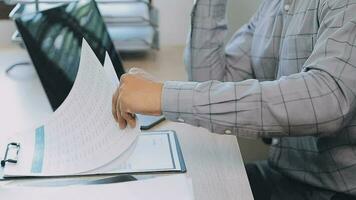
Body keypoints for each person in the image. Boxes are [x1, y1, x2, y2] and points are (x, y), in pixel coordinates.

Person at [112, 0, 356, 199]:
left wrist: (164, 95)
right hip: (283, 178)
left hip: (334, 191)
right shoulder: (276, 6)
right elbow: (209, 79)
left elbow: (327, 100)